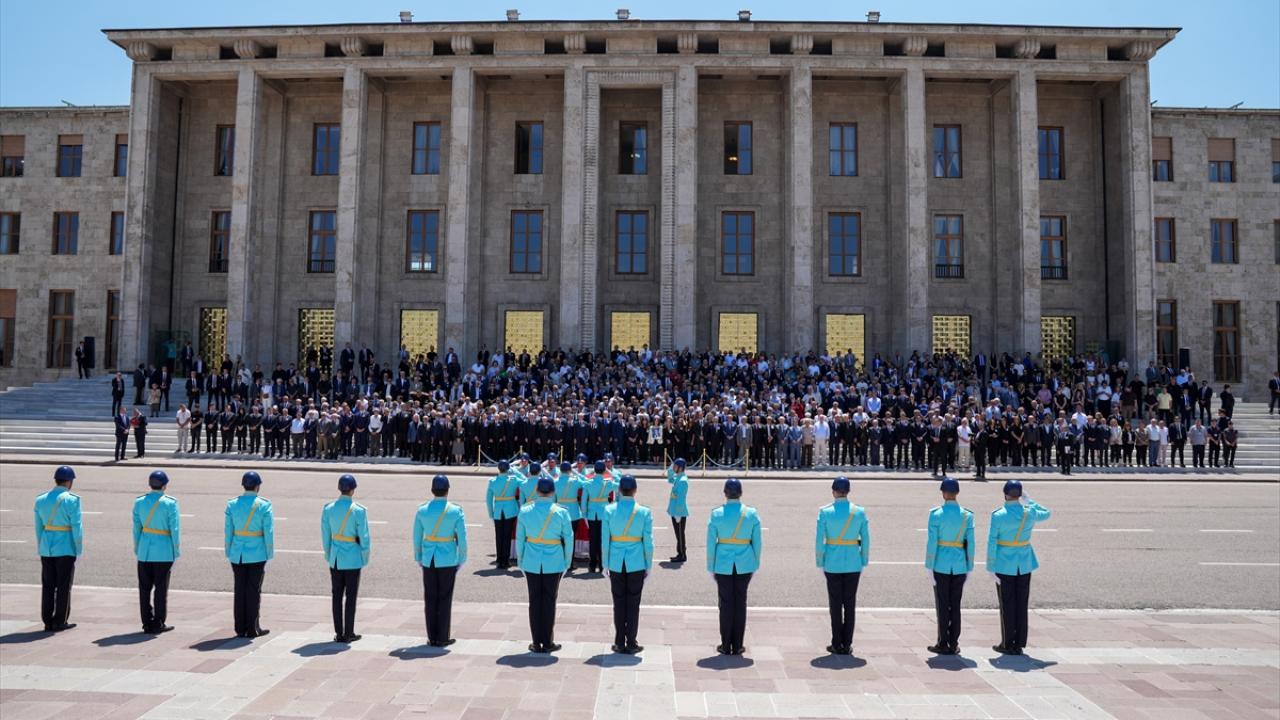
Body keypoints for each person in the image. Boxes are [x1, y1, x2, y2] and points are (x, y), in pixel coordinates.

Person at [987, 480, 1051, 655]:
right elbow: (1047, 514)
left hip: (1004, 563)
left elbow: (992, 541)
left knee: (1007, 603)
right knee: (1021, 603)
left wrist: (990, 566)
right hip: (1024, 563)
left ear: (1005, 494)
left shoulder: (998, 515)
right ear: (1019, 495)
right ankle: (1019, 642)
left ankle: (1008, 642)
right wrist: (1030, 501)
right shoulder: (1029, 513)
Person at [515, 476, 573, 653]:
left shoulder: (525, 511)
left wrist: (521, 560)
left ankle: (536, 641)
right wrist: (567, 561)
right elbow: (568, 539)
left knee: (534, 601)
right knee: (549, 601)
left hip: (531, 560)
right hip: (554, 560)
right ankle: (547, 641)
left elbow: (520, 539)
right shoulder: (561, 512)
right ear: (553, 492)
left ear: (537, 491)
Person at [707, 477, 762, 656]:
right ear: (741, 493)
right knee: (740, 603)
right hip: (745, 563)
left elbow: (710, 544)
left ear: (725, 493)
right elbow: (757, 543)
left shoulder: (716, 514)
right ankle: (737, 644)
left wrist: (711, 566)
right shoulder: (751, 514)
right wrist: (755, 563)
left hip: (723, 563)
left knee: (725, 604)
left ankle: (725, 644)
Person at [814, 476, 869, 656]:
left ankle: (836, 642)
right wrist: (864, 560)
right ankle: (847, 643)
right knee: (850, 603)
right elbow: (866, 539)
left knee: (835, 605)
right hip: (853, 561)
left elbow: (819, 541)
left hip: (832, 562)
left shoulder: (825, 512)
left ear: (834, 491)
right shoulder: (859, 512)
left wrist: (820, 561)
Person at [602, 474, 653, 654]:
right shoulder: (644, 512)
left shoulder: (609, 510)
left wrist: (605, 564)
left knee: (618, 602)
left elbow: (605, 540)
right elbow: (648, 541)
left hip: (616, 561)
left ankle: (619, 641)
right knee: (633, 603)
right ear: (635, 490)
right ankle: (631, 641)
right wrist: (649, 564)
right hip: (636, 561)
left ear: (619, 490)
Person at [415, 474, 468, 647]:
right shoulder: (455, 510)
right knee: (445, 597)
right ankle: (443, 636)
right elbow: (462, 538)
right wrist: (462, 559)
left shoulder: (422, 510)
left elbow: (417, 537)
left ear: (432, 490)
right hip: (448, 558)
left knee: (430, 598)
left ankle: (432, 636)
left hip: (429, 558)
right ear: (447, 490)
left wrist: (418, 557)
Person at [924, 476, 974, 656]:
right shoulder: (967, 515)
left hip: (941, 564)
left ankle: (942, 641)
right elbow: (971, 543)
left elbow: (932, 542)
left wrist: (929, 565)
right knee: (955, 604)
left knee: (943, 604)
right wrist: (970, 566)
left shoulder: (936, 514)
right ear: (957, 493)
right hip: (960, 564)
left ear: (944, 493)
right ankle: (954, 642)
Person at [225, 471, 274, 638]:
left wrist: (229, 551)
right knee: (253, 591)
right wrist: (269, 552)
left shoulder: (232, 504)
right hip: (257, 553)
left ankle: (240, 628)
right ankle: (253, 628)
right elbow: (268, 532)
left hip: (237, 552)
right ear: (257, 486)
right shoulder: (264, 505)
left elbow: (228, 531)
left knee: (239, 590)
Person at [321, 474, 369, 643]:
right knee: (351, 597)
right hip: (353, 558)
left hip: (335, 557)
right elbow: (364, 537)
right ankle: (349, 632)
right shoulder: (358, 510)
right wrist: (364, 558)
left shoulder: (328, 509)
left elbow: (325, 536)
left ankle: (339, 633)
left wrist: (329, 555)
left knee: (336, 596)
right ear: (353, 490)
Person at [34, 466, 82, 632]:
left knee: (47, 585)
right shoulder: (72, 500)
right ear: (69, 482)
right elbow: (76, 526)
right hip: (65, 547)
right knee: (63, 585)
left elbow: (38, 527)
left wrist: (41, 546)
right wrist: (78, 548)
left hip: (47, 547)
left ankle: (47, 620)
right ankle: (60, 620)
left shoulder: (41, 499)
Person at [133, 470, 180, 634]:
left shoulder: (139, 502)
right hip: (164, 551)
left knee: (144, 589)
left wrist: (138, 548)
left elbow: (136, 529)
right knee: (161, 589)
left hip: (145, 551)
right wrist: (176, 551)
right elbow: (174, 529)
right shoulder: (170, 503)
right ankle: (159, 621)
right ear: (164, 485)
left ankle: (146, 622)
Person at [582, 460, 617, 574]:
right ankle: (602, 565)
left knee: (593, 540)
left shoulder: (588, 483)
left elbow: (583, 502)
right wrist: (609, 471)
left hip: (592, 514)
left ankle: (592, 565)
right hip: (604, 514)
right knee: (603, 540)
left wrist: (584, 515)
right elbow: (619, 481)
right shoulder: (608, 483)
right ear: (603, 470)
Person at [486, 460, 520, 569]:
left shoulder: (492, 481)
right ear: (508, 469)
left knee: (499, 536)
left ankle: (499, 559)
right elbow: (525, 481)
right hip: (510, 510)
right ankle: (505, 560)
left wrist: (491, 513)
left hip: (498, 511)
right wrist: (515, 471)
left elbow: (488, 499)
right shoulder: (514, 480)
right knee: (507, 536)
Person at [552, 461, 585, 571]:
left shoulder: (555, 481)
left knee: (560, 538)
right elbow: (586, 482)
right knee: (571, 538)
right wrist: (576, 473)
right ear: (569, 470)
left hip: (559, 511)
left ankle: (560, 562)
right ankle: (569, 563)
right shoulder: (575, 481)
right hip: (573, 513)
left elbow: (553, 499)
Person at [666, 458, 690, 563]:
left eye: (675, 466)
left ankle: (682, 555)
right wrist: (670, 469)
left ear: (680, 468)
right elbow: (670, 479)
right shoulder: (678, 478)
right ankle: (680, 552)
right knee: (678, 534)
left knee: (680, 534)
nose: (674, 467)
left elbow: (681, 499)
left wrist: (678, 514)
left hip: (678, 512)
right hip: (675, 511)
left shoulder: (683, 481)